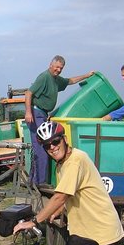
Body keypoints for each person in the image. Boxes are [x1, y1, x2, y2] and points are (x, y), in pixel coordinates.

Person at [25, 55, 95, 187]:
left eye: (61, 68)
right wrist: (28, 112)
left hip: (43, 114)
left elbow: (70, 81)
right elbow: (29, 93)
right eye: (56, 67)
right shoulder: (44, 77)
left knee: (41, 147)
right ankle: (39, 182)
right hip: (36, 113)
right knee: (43, 146)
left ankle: (34, 181)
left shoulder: (56, 79)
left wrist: (86, 75)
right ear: (51, 65)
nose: (58, 70)